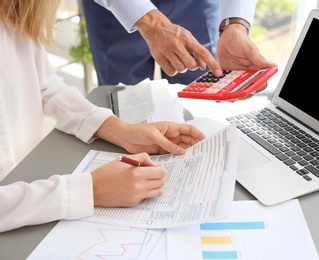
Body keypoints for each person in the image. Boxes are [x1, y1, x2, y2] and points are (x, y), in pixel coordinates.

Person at [0, 0, 206, 233]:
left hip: (29, 182)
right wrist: (89, 190)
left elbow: (46, 88)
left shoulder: (12, 11)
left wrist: (121, 131)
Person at [84, 0, 276, 86]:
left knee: (203, 97)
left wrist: (235, 24)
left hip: (194, 5)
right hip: (118, 9)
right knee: (126, 104)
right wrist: (152, 24)